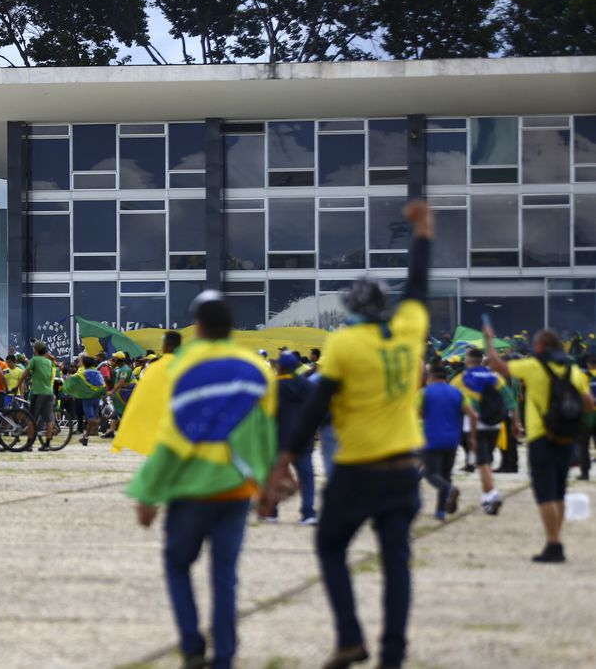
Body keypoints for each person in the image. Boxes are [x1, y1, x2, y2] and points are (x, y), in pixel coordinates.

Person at [263, 199, 434, 669]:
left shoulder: (344, 344)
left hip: (359, 470)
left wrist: (283, 460)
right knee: (396, 562)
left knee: (331, 546)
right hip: (404, 469)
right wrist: (424, 231)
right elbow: (418, 285)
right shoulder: (408, 333)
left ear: (352, 309)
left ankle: (350, 637)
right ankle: (393, 655)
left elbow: (315, 407)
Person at [127, 291, 277, 669]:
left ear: (198, 326)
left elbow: (173, 436)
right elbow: (263, 434)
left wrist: (148, 492)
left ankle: (193, 647)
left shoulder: (182, 367)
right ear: (231, 326)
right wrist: (267, 485)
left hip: (191, 490)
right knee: (224, 577)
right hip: (236, 489)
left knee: (178, 565)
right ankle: (224, 657)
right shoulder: (257, 370)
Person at [484, 326, 594, 563]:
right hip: (566, 437)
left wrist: (489, 341)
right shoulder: (573, 370)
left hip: (541, 438)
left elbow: (497, 365)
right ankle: (556, 538)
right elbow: (588, 404)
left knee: (545, 495)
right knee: (559, 492)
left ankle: (554, 544)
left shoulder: (534, 366)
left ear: (539, 347)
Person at [449, 347, 513, 514]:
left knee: (482, 463)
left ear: (468, 361)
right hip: (495, 424)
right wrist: (516, 421)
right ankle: (487, 500)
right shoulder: (495, 376)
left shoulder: (461, 378)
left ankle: (493, 495)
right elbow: (509, 398)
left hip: (474, 426)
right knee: (485, 462)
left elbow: (451, 398)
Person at [263, 351, 316, 525]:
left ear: (280, 366)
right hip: (303, 438)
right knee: (306, 476)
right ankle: (308, 512)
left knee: (275, 475)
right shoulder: (307, 386)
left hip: (278, 438)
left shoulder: (271, 386)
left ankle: (272, 512)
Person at [421, 364, 473, 522]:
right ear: (447, 378)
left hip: (432, 440)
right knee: (446, 475)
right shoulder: (457, 393)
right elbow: (473, 415)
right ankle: (441, 511)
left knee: (431, 475)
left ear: (430, 377)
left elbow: (414, 413)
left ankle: (449, 491)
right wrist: (473, 437)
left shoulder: (424, 393)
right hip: (452, 440)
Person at [24, 342, 56, 450]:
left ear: (35, 350)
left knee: (31, 418)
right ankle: (47, 443)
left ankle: (29, 443)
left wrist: (18, 384)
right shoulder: (49, 362)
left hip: (38, 392)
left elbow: (26, 372)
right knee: (49, 419)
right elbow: (49, 376)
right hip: (49, 392)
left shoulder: (35, 359)